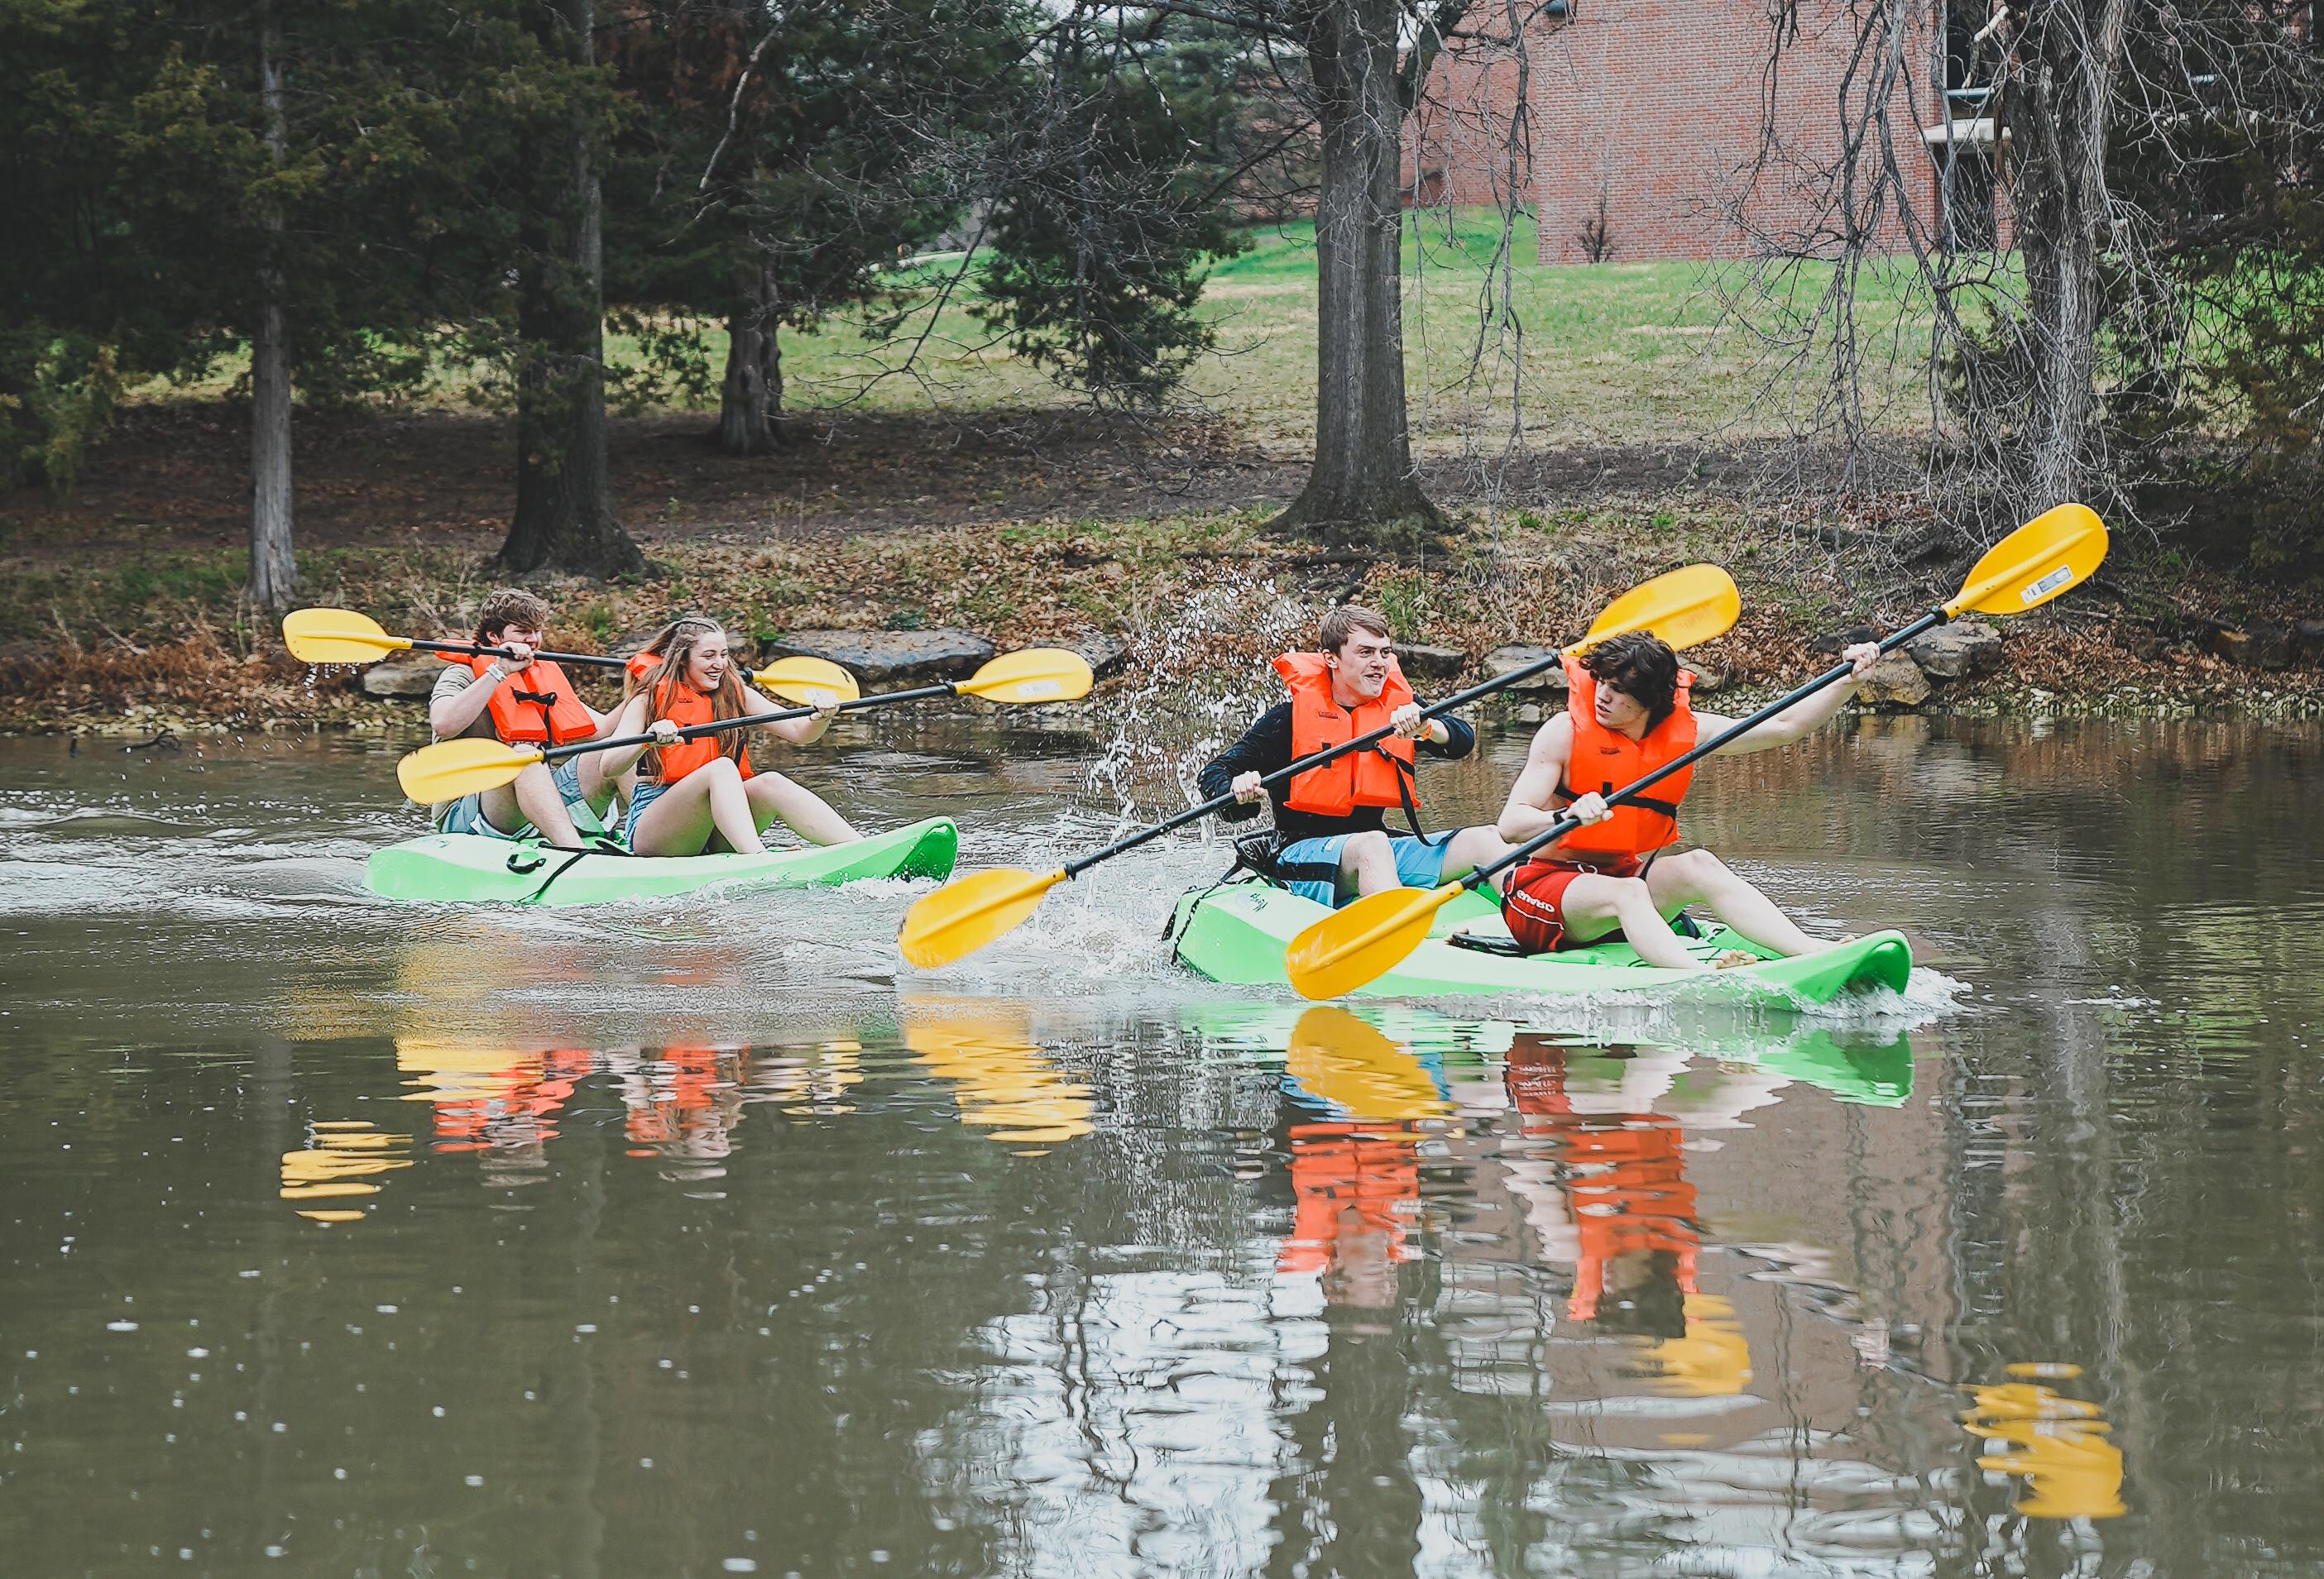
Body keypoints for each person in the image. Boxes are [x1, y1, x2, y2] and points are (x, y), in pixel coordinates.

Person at [1493, 630, 1881, 967]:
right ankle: (1698, 976)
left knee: (1700, 864)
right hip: (1540, 895)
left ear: (1648, 701)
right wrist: (1565, 817)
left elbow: (1784, 725)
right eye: (1601, 683)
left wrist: (1847, 681)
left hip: (1618, 879)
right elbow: (1510, 826)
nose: (1603, 696)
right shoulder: (1564, 733)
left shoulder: (1686, 734)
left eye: (1619, 690)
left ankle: (1813, 952)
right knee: (1628, 892)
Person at [1197, 605, 1511, 907]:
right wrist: (1238, 789)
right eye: (1366, 653)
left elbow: (1463, 740)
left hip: (1375, 849)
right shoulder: (1289, 719)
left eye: (1385, 652)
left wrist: (1427, 728)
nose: (1379, 663)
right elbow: (1215, 772)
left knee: (1486, 839)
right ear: (1331, 659)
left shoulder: (1398, 709)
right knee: (1371, 844)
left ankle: (1541, 924)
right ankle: (1396, 949)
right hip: (1300, 856)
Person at [596, 615, 857, 858]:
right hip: (658, 832)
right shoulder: (649, 698)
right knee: (721, 768)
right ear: (683, 659)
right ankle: (758, 859)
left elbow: (801, 733)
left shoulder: (734, 693)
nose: (719, 664)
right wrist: (646, 741)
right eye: (708, 656)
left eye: (723, 654)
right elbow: (608, 766)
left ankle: (858, 847)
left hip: (714, 831)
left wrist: (821, 717)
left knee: (771, 782)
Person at [426, 588, 618, 847]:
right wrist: (498, 672)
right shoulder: (461, 674)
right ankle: (574, 850)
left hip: (536, 806)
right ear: (494, 636)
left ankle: (647, 843)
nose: (534, 639)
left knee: (620, 746)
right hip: (467, 810)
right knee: (523, 754)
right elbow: (443, 724)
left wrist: (643, 692)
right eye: (523, 631)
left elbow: (604, 730)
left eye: (537, 630)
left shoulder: (540, 678)